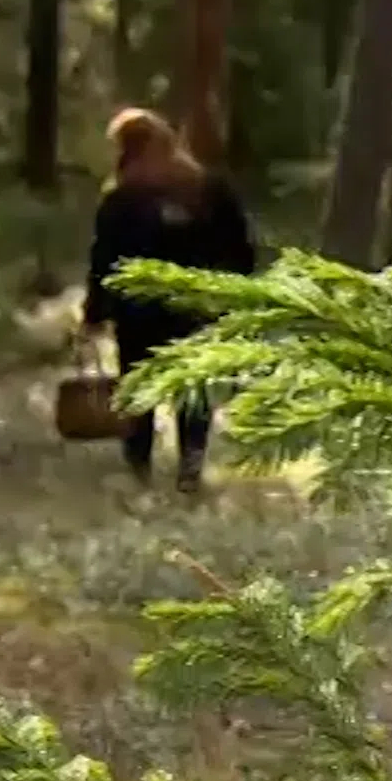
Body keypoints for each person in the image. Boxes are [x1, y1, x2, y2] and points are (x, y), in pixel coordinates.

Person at [83, 108, 256, 493]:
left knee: (141, 388)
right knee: (191, 389)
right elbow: (241, 251)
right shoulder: (208, 190)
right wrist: (232, 295)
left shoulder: (124, 198)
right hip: (195, 309)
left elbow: (105, 260)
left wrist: (94, 312)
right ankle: (188, 470)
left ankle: (141, 468)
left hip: (140, 312)